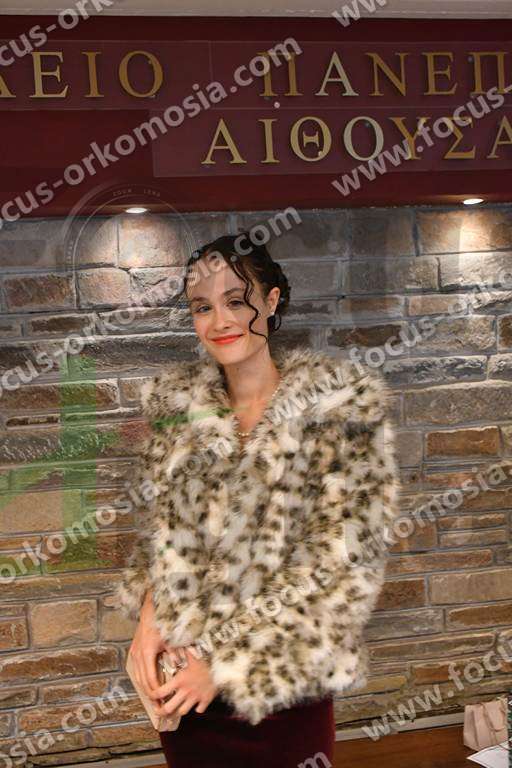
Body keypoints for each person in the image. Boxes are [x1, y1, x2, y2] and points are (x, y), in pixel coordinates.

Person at [114, 233, 401, 767]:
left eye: (235, 300)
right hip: (189, 693)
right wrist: (149, 623)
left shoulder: (340, 413)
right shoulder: (180, 412)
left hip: (282, 685)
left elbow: (344, 573)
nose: (219, 321)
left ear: (270, 302)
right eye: (203, 307)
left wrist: (222, 664)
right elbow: (163, 538)